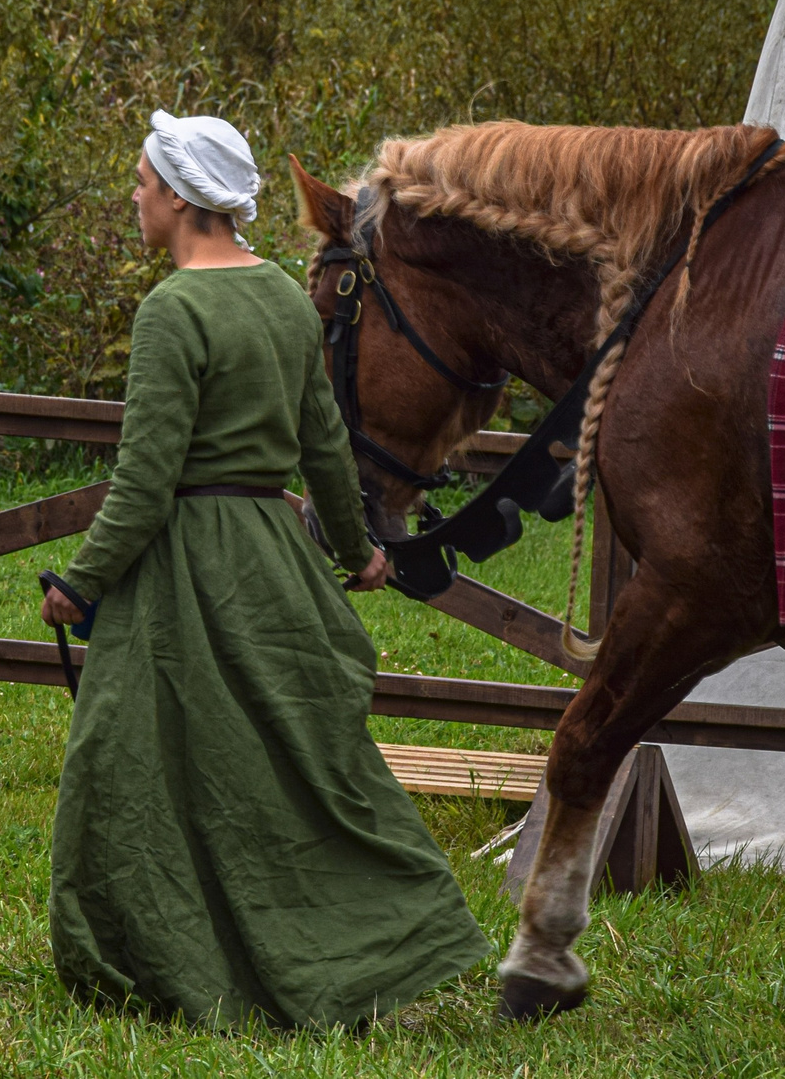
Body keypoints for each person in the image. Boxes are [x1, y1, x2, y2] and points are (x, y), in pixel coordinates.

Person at [42, 109, 489, 1029]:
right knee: (302, 762)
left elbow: (146, 478)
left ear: (177, 194)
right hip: (271, 567)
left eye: (140, 181)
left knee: (129, 764)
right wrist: (354, 545)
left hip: (184, 572)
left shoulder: (172, 311)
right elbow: (325, 445)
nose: (134, 197)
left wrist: (80, 583)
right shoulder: (289, 298)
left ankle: (160, 959)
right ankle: (369, 946)